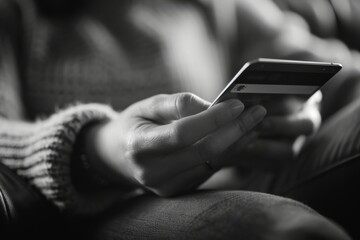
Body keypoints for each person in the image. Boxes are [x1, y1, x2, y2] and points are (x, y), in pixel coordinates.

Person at [0, 0, 359, 239]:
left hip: (250, 170)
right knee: (286, 232)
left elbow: (327, 66)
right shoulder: (18, 12)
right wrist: (96, 151)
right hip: (105, 209)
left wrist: (306, 101)